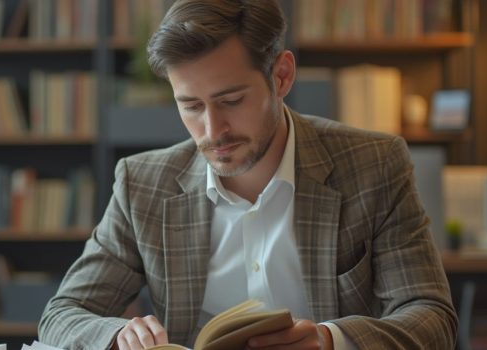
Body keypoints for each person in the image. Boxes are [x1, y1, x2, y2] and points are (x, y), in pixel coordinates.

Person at [39, 0, 457, 349]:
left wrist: (331, 340)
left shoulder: (373, 164)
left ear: (282, 76)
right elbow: (61, 315)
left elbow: (432, 318)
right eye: (191, 106)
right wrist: (118, 336)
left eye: (232, 100)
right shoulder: (142, 183)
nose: (212, 130)